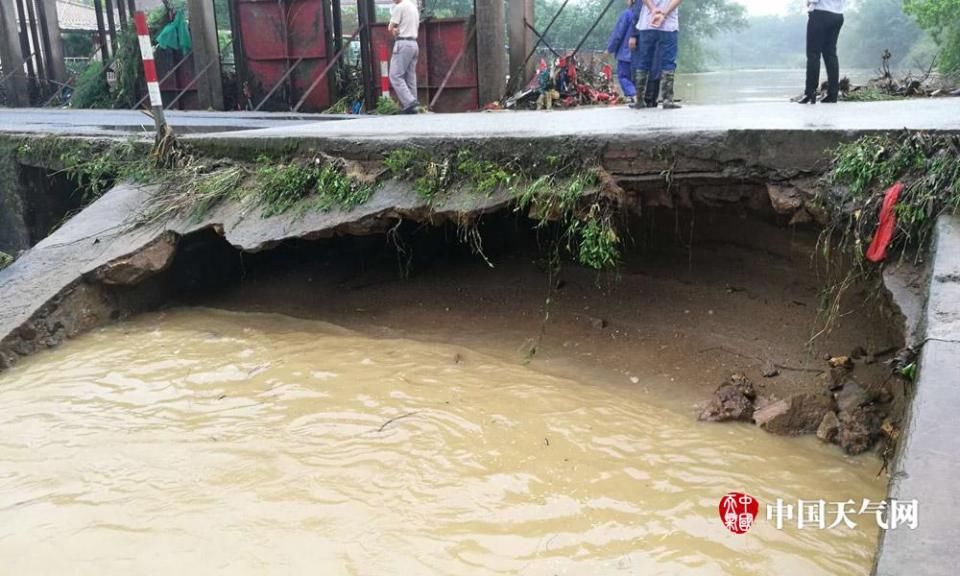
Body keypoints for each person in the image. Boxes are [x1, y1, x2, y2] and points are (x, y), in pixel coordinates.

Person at [629, 0, 683, 110]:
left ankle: (639, 100)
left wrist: (653, 9)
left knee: (643, 61)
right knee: (668, 62)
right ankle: (667, 100)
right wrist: (664, 13)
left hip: (648, 22)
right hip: (668, 24)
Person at [801, 0, 845, 104]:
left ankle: (810, 92)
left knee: (813, 55)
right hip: (838, 15)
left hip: (821, 14)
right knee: (831, 54)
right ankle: (833, 94)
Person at [388, 0, 420, 114]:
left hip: (403, 44)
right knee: (410, 77)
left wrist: (394, 29)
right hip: (414, 44)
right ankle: (413, 105)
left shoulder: (400, 7)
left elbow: (390, 27)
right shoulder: (413, 7)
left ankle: (409, 101)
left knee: (395, 75)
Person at [607, 0, 639, 103]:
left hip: (626, 54)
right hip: (641, 55)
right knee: (638, 78)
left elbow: (618, 34)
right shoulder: (645, 15)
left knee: (624, 76)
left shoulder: (627, 14)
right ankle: (638, 95)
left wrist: (609, 49)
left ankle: (633, 94)